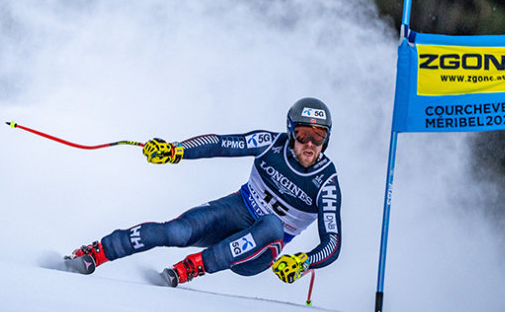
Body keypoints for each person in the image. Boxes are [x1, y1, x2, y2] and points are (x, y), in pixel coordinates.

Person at [65, 97, 342, 287]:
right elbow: (223, 143)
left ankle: (191, 268)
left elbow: (333, 242)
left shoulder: (326, 182)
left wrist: (305, 262)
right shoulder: (271, 143)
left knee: (273, 224)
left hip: (259, 250)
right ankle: (96, 252)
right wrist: (177, 150)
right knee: (176, 232)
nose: (310, 144)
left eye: (319, 137)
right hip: (237, 210)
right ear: (291, 132)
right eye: (304, 134)